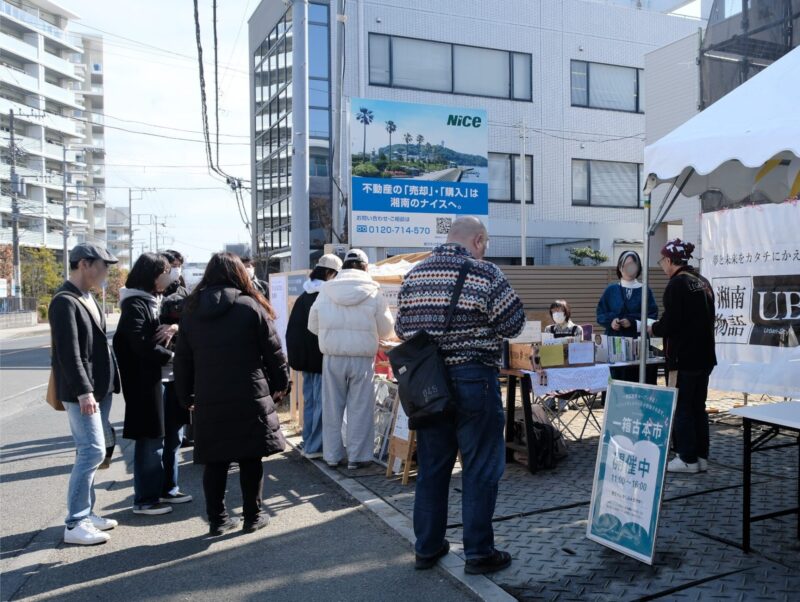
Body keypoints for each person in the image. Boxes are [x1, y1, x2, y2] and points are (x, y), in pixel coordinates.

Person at [395, 216, 525, 574]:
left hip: (429, 387)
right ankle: (479, 553)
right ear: (479, 240)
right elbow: (513, 324)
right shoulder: (486, 274)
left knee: (433, 468)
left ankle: (427, 547)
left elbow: (402, 328)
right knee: (480, 467)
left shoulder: (415, 275)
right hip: (474, 381)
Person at [174, 253, 289, 535]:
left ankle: (218, 520)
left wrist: (185, 396)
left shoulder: (191, 311)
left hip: (209, 394)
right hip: (249, 392)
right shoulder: (250, 306)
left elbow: (182, 360)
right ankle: (253, 516)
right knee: (250, 458)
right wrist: (281, 384)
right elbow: (274, 353)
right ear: (239, 274)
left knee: (215, 461)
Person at [49, 243, 121, 545]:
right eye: (103, 266)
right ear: (84, 264)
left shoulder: (88, 297)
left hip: (99, 388)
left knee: (90, 450)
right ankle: (75, 522)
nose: (106, 272)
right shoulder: (64, 301)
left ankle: (87, 513)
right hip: (84, 391)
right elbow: (69, 354)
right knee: (91, 450)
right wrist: (83, 392)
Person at [308, 249, 394, 470]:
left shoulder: (326, 288)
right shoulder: (374, 291)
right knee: (360, 408)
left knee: (332, 408)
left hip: (332, 356)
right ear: (365, 267)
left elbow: (313, 324)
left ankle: (333, 456)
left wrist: (332, 334)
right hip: (362, 358)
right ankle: (357, 457)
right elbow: (386, 330)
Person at [113, 253, 178, 516]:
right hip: (144, 382)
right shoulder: (135, 305)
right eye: (164, 272)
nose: (168, 276)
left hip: (158, 378)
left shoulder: (150, 301)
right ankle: (145, 499)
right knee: (151, 440)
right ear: (151, 275)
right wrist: (172, 356)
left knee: (165, 437)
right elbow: (140, 344)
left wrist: (173, 327)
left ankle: (162, 491)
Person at [648, 239, 716, 474]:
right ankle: (700, 456)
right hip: (705, 356)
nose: (662, 266)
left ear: (669, 260)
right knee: (698, 406)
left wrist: (653, 328)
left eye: (662, 261)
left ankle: (686, 458)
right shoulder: (702, 282)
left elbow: (671, 323)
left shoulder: (677, 284)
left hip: (683, 358)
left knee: (682, 407)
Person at [286, 253, 343, 459]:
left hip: (304, 359)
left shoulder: (304, 294)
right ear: (330, 273)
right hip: (319, 358)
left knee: (310, 402)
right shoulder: (325, 295)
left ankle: (308, 440)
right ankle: (315, 446)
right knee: (320, 403)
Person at [154, 250, 193, 501]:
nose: (176, 270)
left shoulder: (185, 292)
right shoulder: (147, 297)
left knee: (174, 437)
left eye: (178, 266)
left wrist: (178, 326)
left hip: (177, 371)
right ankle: (158, 490)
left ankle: (169, 487)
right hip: (157, 374)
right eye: (171, 266)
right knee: (159, 438)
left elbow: (193, 324)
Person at [596, 250, 659, 384]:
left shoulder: (645, 290)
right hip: (615, 344)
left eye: (633, 264)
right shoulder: (611, 290)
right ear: (620, 266)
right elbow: (600, 314)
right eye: (626, 264)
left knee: (638, 380)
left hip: (639, 344)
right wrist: (611, 321)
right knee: (618, 383)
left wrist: (634, 323)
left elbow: (652, 316)